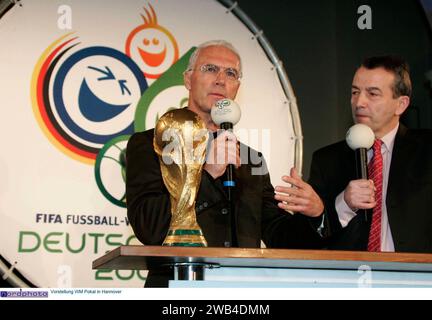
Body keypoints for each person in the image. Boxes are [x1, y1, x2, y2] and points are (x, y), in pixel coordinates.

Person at [126, 40, 323, 287]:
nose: (221, 79)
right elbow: (149, 226)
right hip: (178, 288)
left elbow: (278, 234)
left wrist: (315, 216)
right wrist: (206, 175)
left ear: (237, 87)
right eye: (210, 69)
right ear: (188, 80)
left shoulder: (252, 159)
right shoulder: (151, 144)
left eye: (231, 73)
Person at [287, 55, 432, 253]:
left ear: (401, 104)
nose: (359, 102)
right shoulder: (327, 160)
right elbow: (306, 242)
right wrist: (343, 204)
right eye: (355, 92)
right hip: (349, 280)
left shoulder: (426, 151)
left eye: (372, 94)